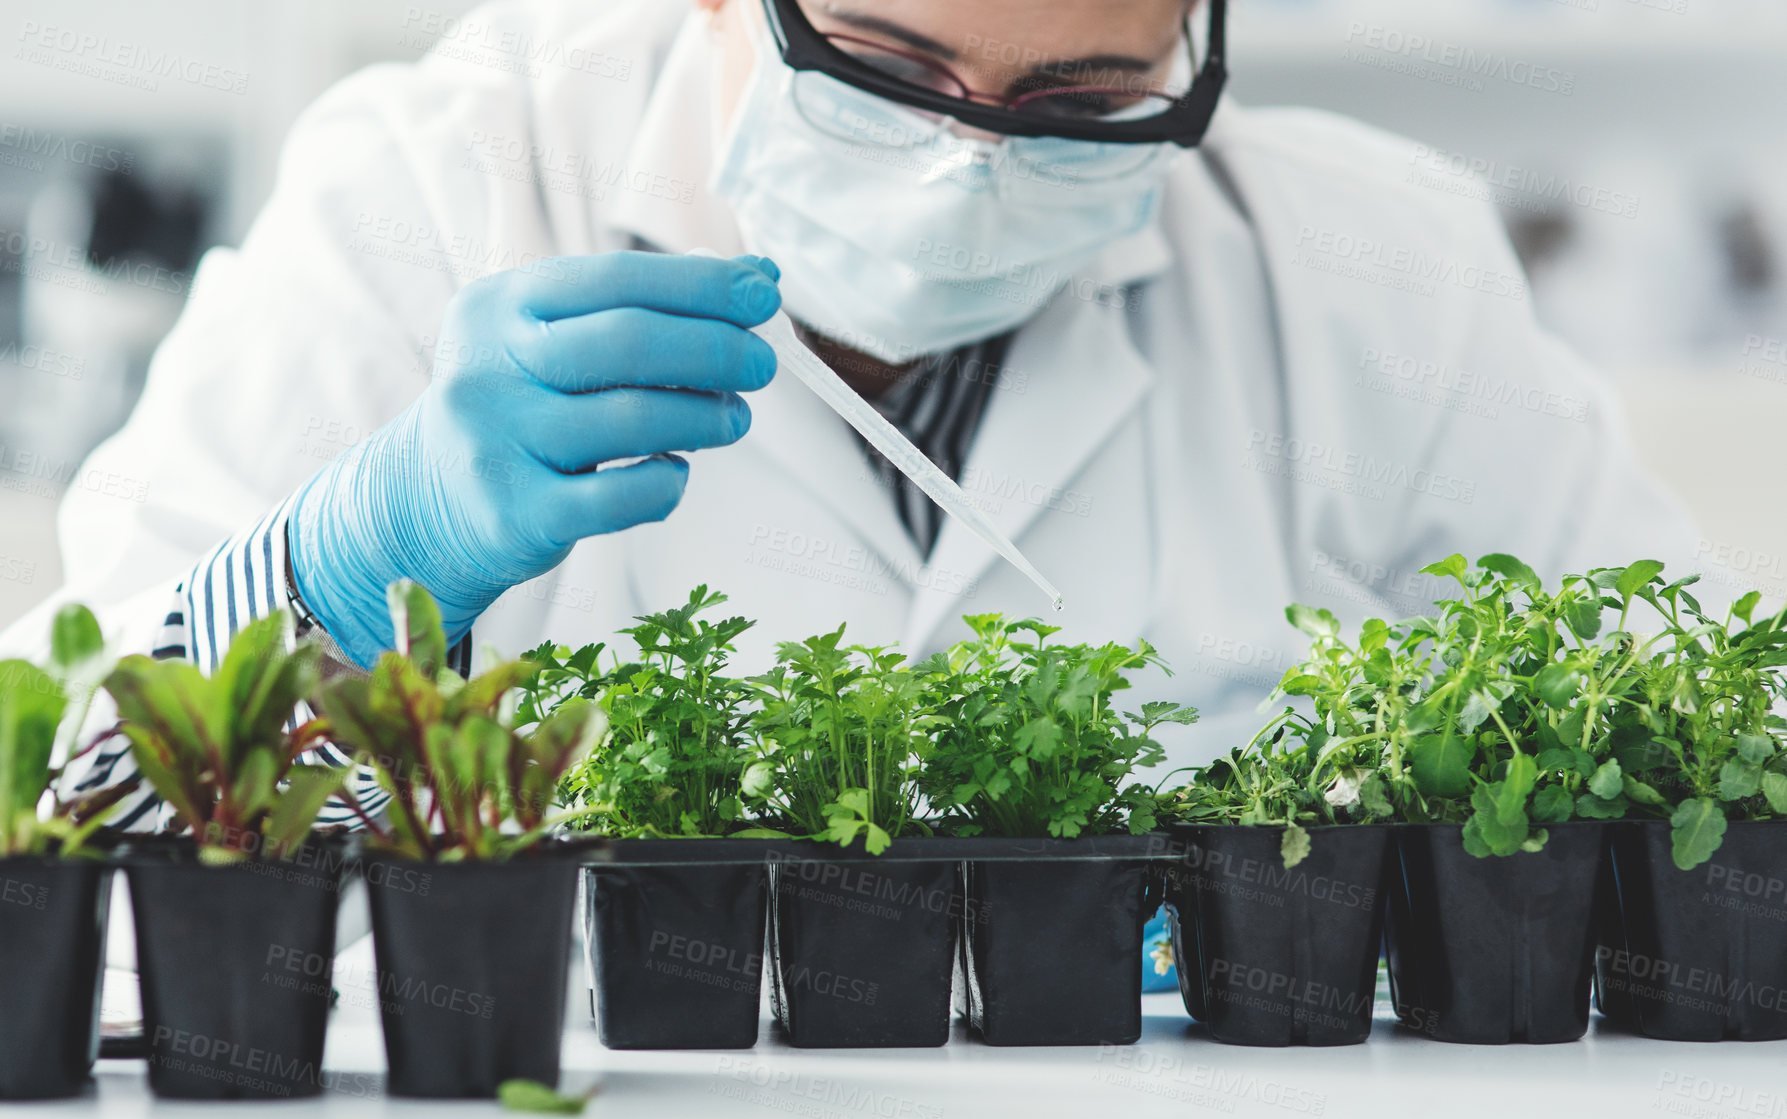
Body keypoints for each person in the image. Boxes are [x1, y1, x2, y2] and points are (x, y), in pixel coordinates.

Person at [2, 0, 1697, 839]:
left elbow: (1703, 755)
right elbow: (62, 838)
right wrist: (339, 567)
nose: (967, 170)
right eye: (885, 68)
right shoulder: (431, 187)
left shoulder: (1373, 263)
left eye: (1085, 104)